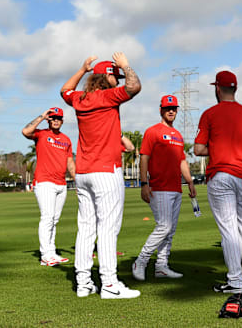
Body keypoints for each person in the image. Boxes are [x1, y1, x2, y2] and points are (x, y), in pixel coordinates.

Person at [60, 53, 141, 299]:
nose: (117, 79)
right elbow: (134, 86)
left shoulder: (80, 99)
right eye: (114, 76)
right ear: (106, 78)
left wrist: (82, 69)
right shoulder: (108, 96)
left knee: (86, 228)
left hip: (83, 172)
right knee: (107, 228)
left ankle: (83, 283)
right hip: (106, 171)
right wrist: (126, 65)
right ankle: (109, 284)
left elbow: (64, 90)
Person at [194, 70, 242, 294]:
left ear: (217, 88)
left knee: (229, 229)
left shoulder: (210, 114)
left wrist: (219, 148)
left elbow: (198, 149)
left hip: (221, 174)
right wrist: (238, 150)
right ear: (236, 88)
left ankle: (235, 280)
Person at [132, 95, 197, 281]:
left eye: (174, 108)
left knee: (171, 229)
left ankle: (161, 265)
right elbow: (143, 157)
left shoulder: (177, 135)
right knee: (164, 226)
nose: (171, 111)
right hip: (158, 187)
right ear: (161, 110)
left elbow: (182, 160)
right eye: (168, 108)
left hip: (175, 187)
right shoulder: (152, 131)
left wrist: (190, 182)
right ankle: (141, 261)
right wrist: (143, 183)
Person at [22, 107, 75, 266]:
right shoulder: (41, 134)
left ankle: (52, 252)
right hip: (45, 182)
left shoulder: (66, 139)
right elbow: (25, 131)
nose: (56, 120)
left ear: (62, 120)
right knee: (47, 217)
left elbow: (70, 163)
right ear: (48, 120)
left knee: (55, 219)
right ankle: (46, 254)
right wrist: (42, 116)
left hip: (61, 183)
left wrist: (78, 180)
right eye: (52, 118)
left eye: (58, 118)